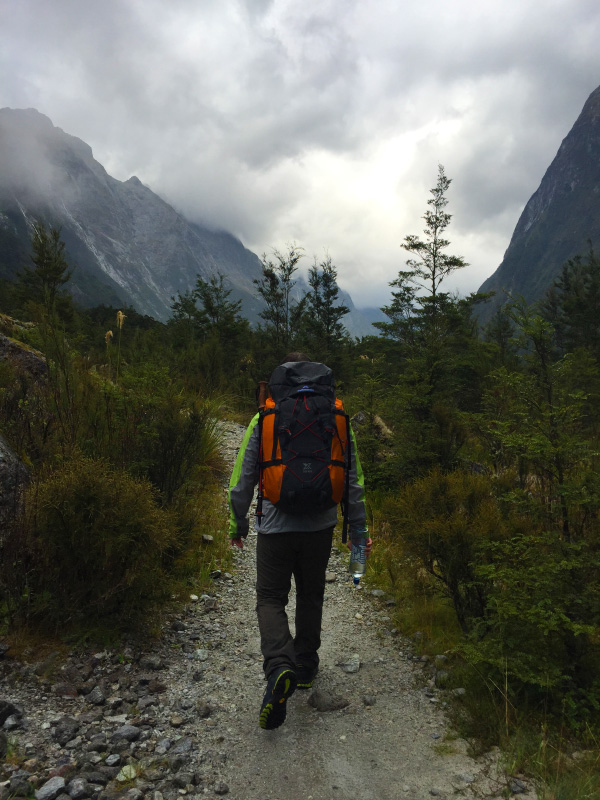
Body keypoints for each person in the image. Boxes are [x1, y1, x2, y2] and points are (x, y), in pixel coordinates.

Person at [228, 353, 371, 730]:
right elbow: (353, 480)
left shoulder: (266, 416)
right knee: (311, 595)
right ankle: (305, 667)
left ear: (280, 381)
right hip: (320, 527)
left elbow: (243, 475)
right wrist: (360, 534)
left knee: (270, 597)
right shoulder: (337, 417)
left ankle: (278, 667)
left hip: (275, 526)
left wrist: (236, 523)